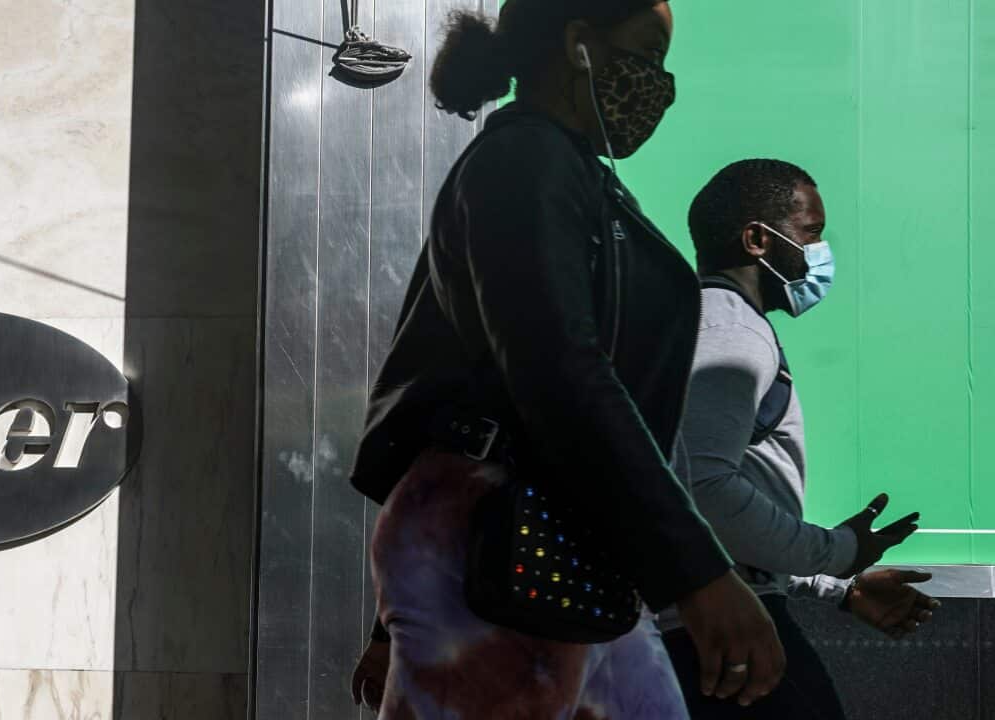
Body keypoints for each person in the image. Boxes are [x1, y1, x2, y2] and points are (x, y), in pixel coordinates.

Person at [346, 2, 786, 717]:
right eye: (646, 52)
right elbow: (557, 375)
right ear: (578, 44)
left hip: (546, 542)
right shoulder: (526, 163)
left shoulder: (567, 172)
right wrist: (699, 572)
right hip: (514, 541)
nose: (659, 84)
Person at [657, 159, 942, 719]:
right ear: (759, 239)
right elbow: (703, 491)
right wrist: (836, 553)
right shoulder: (730, 329)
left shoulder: (713, 321)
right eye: (811, 232)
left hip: (718, 624)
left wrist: (837, 586)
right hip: (720, 634)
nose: (821, 250)